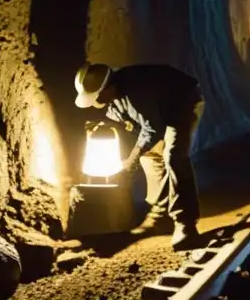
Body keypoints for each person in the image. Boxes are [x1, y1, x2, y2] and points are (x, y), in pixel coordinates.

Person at [74, 62, 205, 250]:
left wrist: (130, 162)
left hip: (183, 103)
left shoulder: (137, 91)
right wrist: (102, 124)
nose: (96, 102)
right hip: (158, 110)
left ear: (109, 87)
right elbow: (121, 115)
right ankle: (160, 217)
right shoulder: (115, 92)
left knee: (174, 156)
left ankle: (185, 224)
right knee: (150, 157)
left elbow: (151, 129)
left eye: (97, 97)